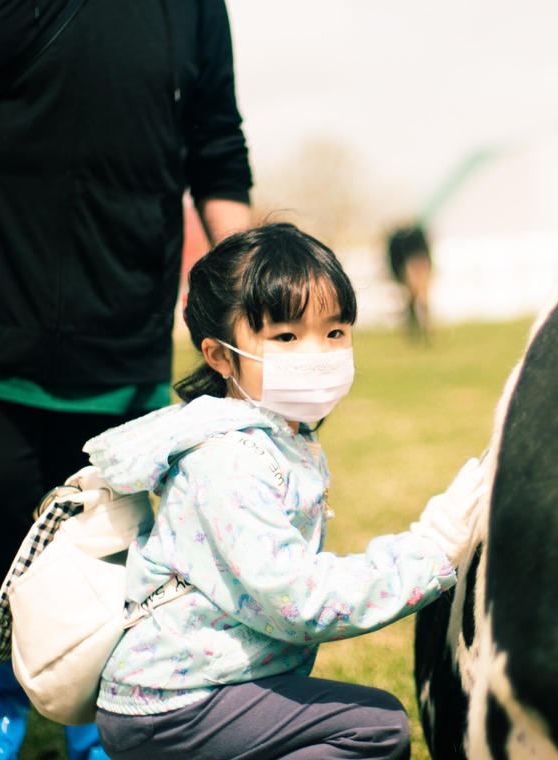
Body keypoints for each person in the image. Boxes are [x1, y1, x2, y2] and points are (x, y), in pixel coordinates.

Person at [0, 1, 255, 758]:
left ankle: (112, 727)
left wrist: (256, 294)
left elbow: (215, 138)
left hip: (125, 313)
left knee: (116, 546)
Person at [80, 223, 484, 760]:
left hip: (209, 688)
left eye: (335, 333)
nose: (317, 353)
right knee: (373, 729)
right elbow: (299, 600)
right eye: (287, 337)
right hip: (175, 705)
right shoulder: (227, 462)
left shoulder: (281, 437)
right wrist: (430, 549)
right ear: (220, 356)